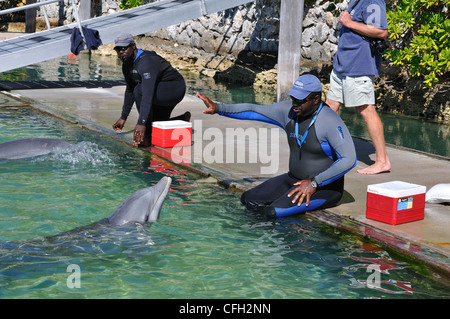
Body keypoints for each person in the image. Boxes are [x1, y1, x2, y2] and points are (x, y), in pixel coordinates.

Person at [197, 74, 357, 218]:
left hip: (324, 188)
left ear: (316, 99)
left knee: (274, 212)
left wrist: (315, 183)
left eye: (300, 100)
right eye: (294, 98)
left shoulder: (329, 120)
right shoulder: (288, 111)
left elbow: (349, 159)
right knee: (249, 199)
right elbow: (254, 110)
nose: (295, 104)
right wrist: (219, 108)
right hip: (293, 179)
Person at [326, 0, 391, 175]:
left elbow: (381, 31)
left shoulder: (372, 1)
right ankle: (330, 152)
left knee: (366, 109)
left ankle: (382, 161)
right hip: (342, 64)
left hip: (359, 65)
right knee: (330, 107)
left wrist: (348, 23)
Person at [112, 33, 190, 147]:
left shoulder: (145, 62)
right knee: (156, 124)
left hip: (174, 89)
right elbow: (129, 90)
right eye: (117, 50)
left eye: (124, 48)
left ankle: (146, 138)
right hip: (159, 88)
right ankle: (182, 119)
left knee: (139, 90)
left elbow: (147, 94)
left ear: (133, 46)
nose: (120, 52)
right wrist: (123, 117)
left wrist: (141, 123)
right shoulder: (126, 65)